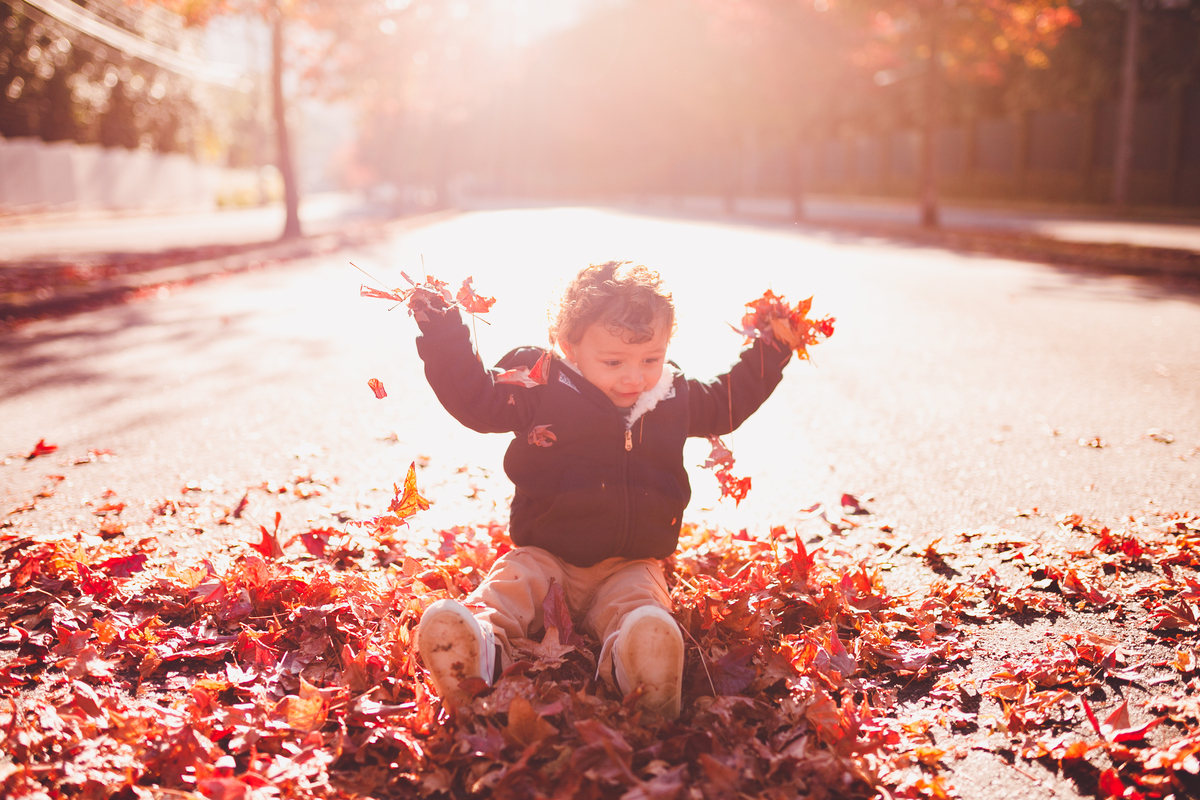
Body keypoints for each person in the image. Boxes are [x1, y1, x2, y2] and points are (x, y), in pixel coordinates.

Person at [412, 260, 791, 718]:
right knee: (507, 592)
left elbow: (728, 402)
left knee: (641, 610)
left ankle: (641, 670)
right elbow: (477, 400)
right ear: (569, 345)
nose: (634, 377)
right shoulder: (539, 380)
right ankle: (475, 650)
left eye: (650, 359)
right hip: (546, 554)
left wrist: (771, 350)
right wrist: (443, 335)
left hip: (630, 563)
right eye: (614, 362)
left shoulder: (671, 394)